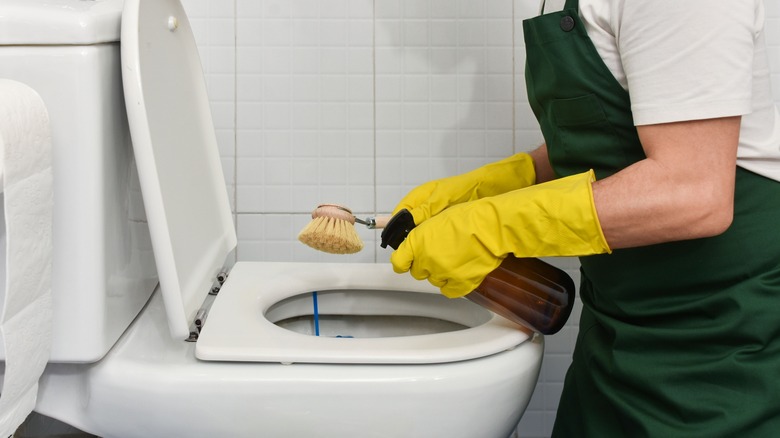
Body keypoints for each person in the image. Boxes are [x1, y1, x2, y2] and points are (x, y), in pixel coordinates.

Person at [389, 0, 780, 435]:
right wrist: (497, 185)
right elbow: (609, 140)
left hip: (719, 343)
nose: (398, 40)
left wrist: (492, 225)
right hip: (617, 331)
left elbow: (694, 192)